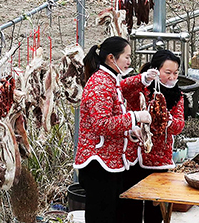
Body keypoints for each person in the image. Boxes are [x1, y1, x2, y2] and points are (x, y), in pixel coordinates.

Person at [74, 36, 161, 223]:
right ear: (111, 58)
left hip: (110, 162)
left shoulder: (110, 79)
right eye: (126, 57)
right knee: (102, 217)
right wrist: (136, 117)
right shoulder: (100, 83)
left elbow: (113, 116)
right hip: (98, 164)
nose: (129, 61)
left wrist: (131, 131)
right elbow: (101, 124)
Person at [125, 49, 186, 223]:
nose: (172, 77)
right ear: (156, 70)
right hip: (135, 157)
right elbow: (123, 90)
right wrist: (143, 78)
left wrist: (167, 121)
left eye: (175, 73)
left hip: (160, 160)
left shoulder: (177, 95)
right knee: (131, 207)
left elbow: (179, 125)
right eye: (167, 72)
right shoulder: (142, 89)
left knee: (155, 209)